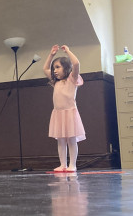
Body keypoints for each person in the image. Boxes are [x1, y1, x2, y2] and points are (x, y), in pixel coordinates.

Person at [43, 44, 86, 173]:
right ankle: (63, 164)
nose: (54, 70)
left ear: (66, 68)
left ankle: (73, 164)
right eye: (54, 68)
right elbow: (45, 68)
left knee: (71, 140)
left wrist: (68, 51)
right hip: (58, 114)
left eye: (58, 67)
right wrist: (51, 55)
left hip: (70, 113)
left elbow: (76, 63)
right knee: (60, 141)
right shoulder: (55, 81)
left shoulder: (72, 79)